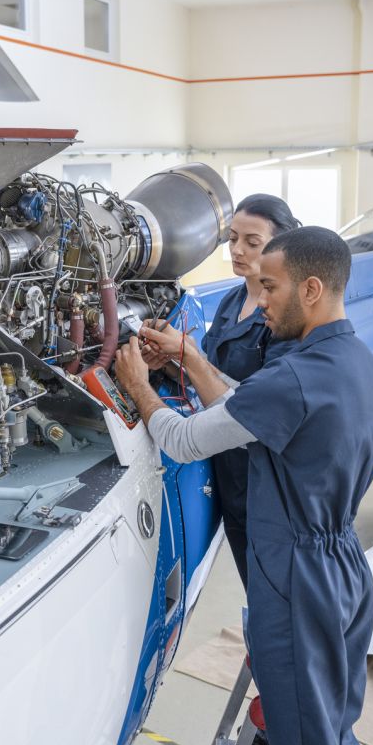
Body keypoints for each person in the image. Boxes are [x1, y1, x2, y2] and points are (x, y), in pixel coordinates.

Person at [115, 227, 373, 745]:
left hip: (296, 587)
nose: (258, 300)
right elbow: (248, 405)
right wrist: (191, 357)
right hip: (345, 571)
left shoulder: (295, 377)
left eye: (270, 286)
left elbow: (185, 441)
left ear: (311, 289)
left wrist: (139, 388)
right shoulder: (354, 363)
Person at [140, 194, 300, 590]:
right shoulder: (232, 300)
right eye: (232, 239)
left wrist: (184, 357)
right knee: (252, 575)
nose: (238, 250)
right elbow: (209, 373)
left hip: (263, 474)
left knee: (274, 588)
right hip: (228, 468)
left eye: (252, 242)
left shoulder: (281, 317)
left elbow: (258, 407)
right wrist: (173, 363)